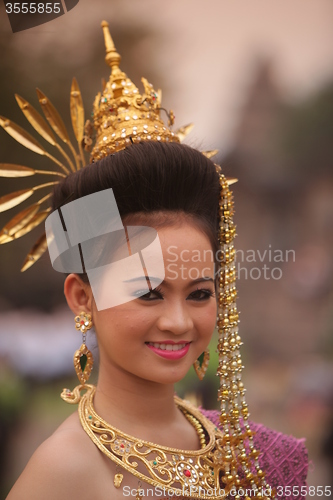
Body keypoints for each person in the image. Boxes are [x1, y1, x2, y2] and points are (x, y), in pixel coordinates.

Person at [1, 21, 308, 500]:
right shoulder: (62, 475)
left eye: (200, 293)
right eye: (148, 292)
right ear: (83, 296)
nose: (179, 321)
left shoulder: (250, 454)